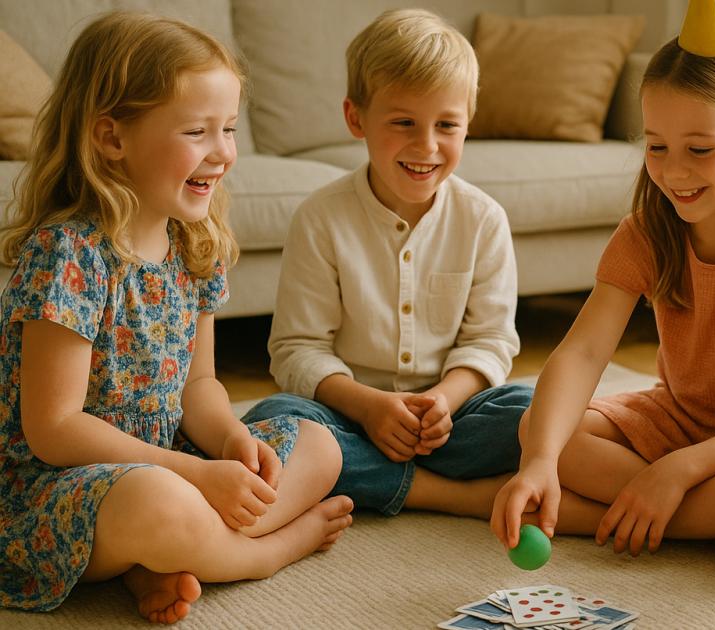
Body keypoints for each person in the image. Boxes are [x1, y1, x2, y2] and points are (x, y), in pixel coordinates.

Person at [0, 11, 353, 624]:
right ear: (113, 138)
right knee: (157, 500)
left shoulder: (193, 243)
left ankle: (169, 555)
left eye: (229, 129)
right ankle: (260, 554)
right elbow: (54, 428)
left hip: (169, 457)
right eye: (197, 131)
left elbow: (199, 387)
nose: (222, 153)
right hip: (57, 487)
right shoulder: (70, 254)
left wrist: (230, 443)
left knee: (319, 443)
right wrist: (197, 474)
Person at [490, 23, 715, 573]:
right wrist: (541, 460)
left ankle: (655, 509)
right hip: (683, 418)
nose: (673, 171)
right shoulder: (645, 231)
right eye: (657, 147)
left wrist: (679, 471)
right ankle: (706, 526)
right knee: (536, 427)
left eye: (700, 149)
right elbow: (583, 353)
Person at [242, 9, 531, 521]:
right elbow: (296, 350)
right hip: (348, 418)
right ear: (356, 118)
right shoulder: (320, 218)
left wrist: (443, 400)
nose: (427, 146)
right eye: (403, 123)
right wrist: (370, 408)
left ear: (468, 124)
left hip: (450, 422)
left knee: (535, 411)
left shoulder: (483, 219)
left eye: (447, 125)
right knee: (273, 423)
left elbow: (491, 341)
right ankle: (446, 494)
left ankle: (365, 479)